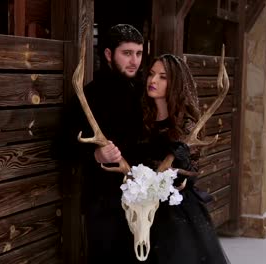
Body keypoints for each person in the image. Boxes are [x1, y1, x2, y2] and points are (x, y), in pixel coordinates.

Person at [138, 54, 231, 264]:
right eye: (151, 74)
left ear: (176, 84)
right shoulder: (144, 118)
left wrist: (180, 176)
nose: (153, 81)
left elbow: (191, 169)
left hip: (174, 212)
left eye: (162, 77)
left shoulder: (187, 125)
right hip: (142, 209)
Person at [64, 24, 145, 263]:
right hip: (103, 201)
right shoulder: (88, 96)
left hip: (142, 199)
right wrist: (95, 155)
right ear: (109, 54)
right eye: (127, 53)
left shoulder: (143, 92)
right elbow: (61, 146)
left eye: (139, 53)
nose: (134, 61)